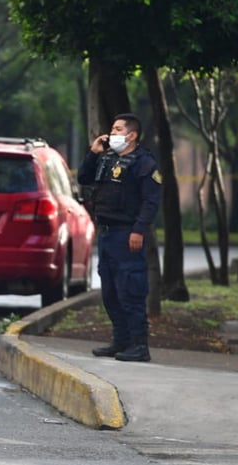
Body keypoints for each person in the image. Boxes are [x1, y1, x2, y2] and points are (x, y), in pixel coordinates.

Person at [77, 113, 162, 362]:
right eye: (112, 129)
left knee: (130, 291)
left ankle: (139, 345)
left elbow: (151, 201)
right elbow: (83, 177)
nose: (111, 134)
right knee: (110, 292)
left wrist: (138, 230)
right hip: (106, 235)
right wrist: (93, 153)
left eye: (117, 129)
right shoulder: (106, 159)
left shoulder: (144, 163)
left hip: (127, 235)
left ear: (132, 135)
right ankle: (120, 340)